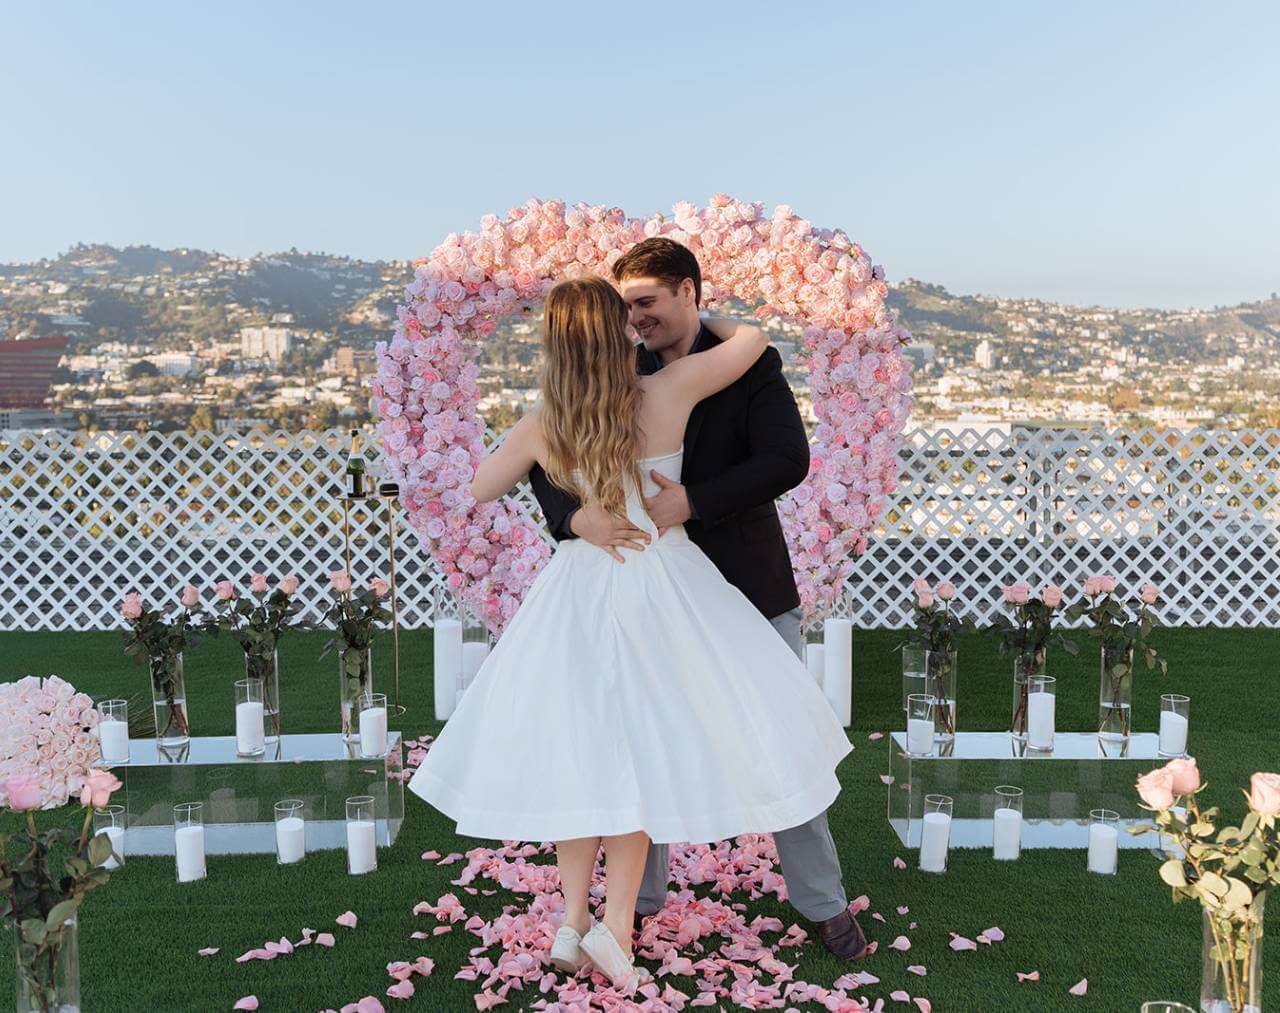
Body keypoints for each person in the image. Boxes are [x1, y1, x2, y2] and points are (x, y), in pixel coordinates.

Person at [407, 273, 854, 989]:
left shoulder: (546, 419)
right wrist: (698, 311)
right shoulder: (666, 390)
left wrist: (560, 479)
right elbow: (754, 339)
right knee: (648, 748)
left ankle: (572, 920)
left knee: (585, 751)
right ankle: (617, 923)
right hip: (661, 585)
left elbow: (479, 486)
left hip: (579, 594)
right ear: (617, 332)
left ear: (553, 345)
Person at [530, 238, 868, 962]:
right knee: (638, 747)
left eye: (646, 301)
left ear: (689, 292)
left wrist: (694, 502)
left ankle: (824, 905)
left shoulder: (747, 369)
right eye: (624, 306)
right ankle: (636, 910)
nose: (634, 318)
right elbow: (548, 454)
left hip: (745, 585)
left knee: (779, 744)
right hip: (645, 598)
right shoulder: (619, 370)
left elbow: (788, 459)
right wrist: (570, 516)